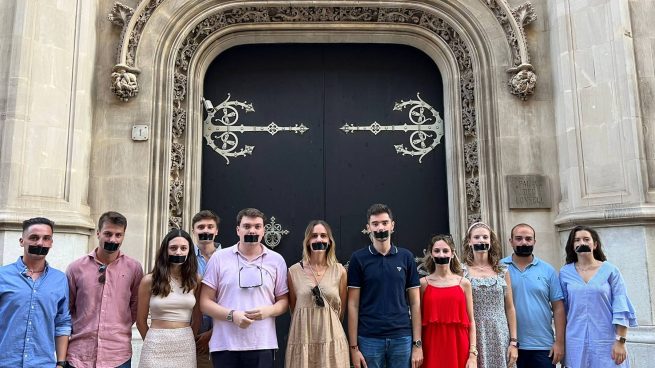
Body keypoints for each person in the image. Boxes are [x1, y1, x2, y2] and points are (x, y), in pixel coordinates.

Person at [200, 208, 289, 368]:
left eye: (257, 226)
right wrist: (232, 316)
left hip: (262, 344)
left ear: (263, 230)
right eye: (247, 226)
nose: (252, 230)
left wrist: (268, 311)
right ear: (238, 230)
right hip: (225, 345)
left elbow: (283, 301)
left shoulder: (277, 260)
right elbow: (205, 302)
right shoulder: (219, 258)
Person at [347, 203, 423, 368]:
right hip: (369, 338)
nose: (380, 228)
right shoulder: (358, 259)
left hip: (402, 336)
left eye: (384, 223)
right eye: (375, 224)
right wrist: (353, 348)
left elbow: (415, 303)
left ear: (392, 225)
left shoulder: (406, 257)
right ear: (368, 228)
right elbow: (352, 304)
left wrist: (418, 344)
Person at [66, 211, 144, 368]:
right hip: (79, 356)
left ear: (123, 236)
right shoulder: (76, 268)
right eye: (108, 234)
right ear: (98, 233)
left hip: (117, 355)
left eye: (118, 235)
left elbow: (135, 306)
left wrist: (117, 327)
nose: (112, 239)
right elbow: (67, 307)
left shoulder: (134, 268)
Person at [559, 225, 637, 368]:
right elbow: (562, 310)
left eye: (586, 239)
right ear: (572, 245)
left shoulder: (610, 271)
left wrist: (620, 341)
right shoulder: (565, 273)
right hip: (576, 341)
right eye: (577, 240)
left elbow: (621, 307)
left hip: (606, 340)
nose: (582, 243)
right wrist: (560, 343)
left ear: (595, 244)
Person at [0, 217, 72, 368]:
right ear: (22, 241)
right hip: (6, 362)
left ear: (51, 243)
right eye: (34, 237)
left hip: (44, 363)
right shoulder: (3, 276)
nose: (40, 243)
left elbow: (62, 323)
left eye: (46, 238)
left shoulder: (60, 280)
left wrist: (60, 363)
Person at [500, 223, 565, 368]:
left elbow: (559, 308)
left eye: (528, 239)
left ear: (534, 242)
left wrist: (559, 342)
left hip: (542, 346)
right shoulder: (499, 268)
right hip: (508, 345)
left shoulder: (548, 270)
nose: (524, 242)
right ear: (510, 241)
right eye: (518, 238)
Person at [285, 220, 348, 368]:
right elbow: (294, 308)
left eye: (323, 236)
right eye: (314, 236)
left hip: (331, 338)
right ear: (307, 241)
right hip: (303, 338)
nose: (319, 239)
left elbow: (341, 309)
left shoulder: (340, 271)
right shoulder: (293, 272)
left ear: (329, 241)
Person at [136, 228, 202, 367]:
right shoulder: (149, 280)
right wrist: (150, 342)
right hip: (155, 343)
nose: (178, 252)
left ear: (189, 251)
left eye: (183, 248)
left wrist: (189, 338)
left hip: (184, 344)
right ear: (165, 250)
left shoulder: (195, 280)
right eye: (173, 248)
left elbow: (197, 317)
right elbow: (140, 321)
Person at [462, 222, 518, 368]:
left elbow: (510, 307)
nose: (481, 240)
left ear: (491, 241)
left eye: (485, 237)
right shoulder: (462, 272)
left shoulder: (502, 271)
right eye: (477, 237)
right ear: (469, 241)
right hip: (473, 333)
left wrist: (513, 342)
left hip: (499, 333)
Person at [420, 234, 477, 368]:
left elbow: (471, 321)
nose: (441, 254)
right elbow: (417, 320)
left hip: (459, 346)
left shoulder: (464, 283)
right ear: (431, 254)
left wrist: (472, 354)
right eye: (437, 251)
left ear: (452, 254)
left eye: (445, 251)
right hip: (431, 346)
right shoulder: (423, 284)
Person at [191, 209, 222, 367]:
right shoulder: (184, 258)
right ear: (193, 230)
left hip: (224, 330)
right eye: (201, 227)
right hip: (193, 331)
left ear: (216, 231)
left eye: (210, 227)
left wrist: (213, 333)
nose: (206, 230)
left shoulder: (230, 258)